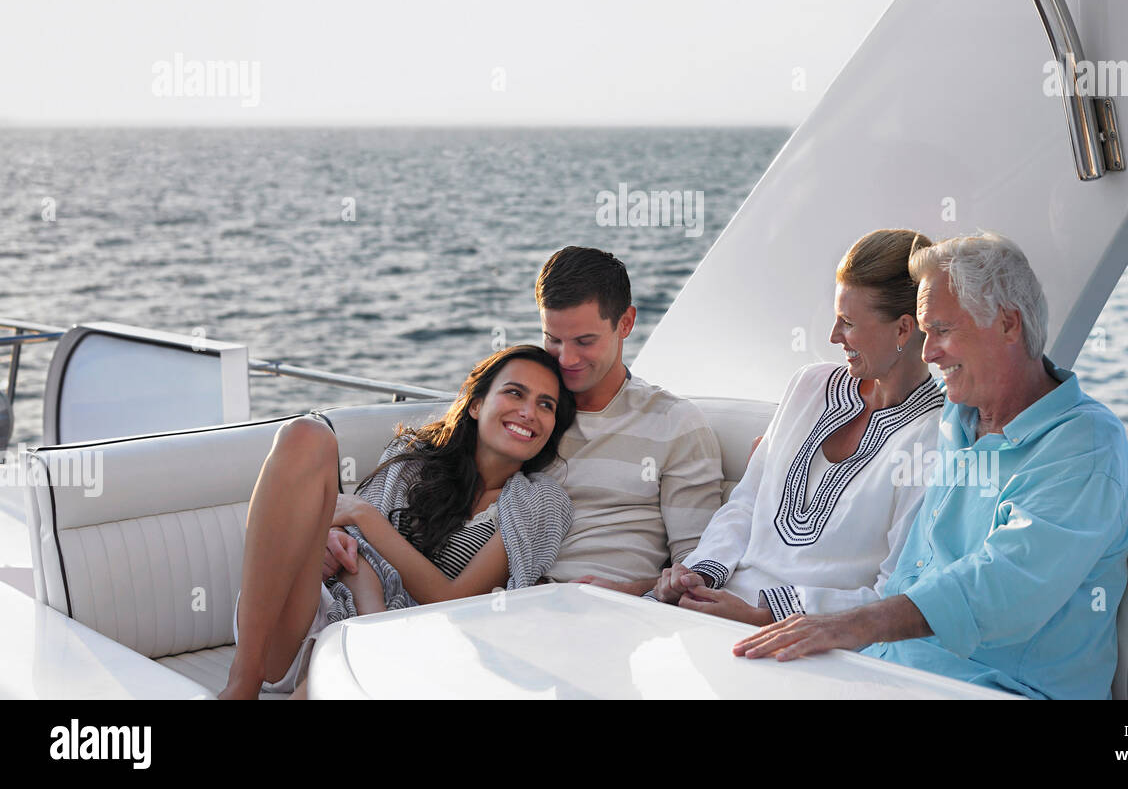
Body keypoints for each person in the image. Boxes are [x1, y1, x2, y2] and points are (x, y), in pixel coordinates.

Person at [734, 231, 1128, 700]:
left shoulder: (1084, 447)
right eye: (925, 333)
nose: (927, 353)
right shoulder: (958, 417)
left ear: (1008, 326)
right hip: (887, 669)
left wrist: (848, 625)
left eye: (942, 331)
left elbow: (1003, 586)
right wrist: (780, 455)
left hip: (1000, 688)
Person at [218, 344, 576, 699]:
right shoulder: (411, 459)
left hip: (408, 652)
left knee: (381, 661)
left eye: (546, 405)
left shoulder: (538, 502)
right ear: (476, 404)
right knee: (306, 435)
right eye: (515, 393)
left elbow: (452, 600)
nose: (529, 412)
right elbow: (354, 553)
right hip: (311, 615)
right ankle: (243, 683)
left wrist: (364, 517)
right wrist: (335, 538)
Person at [651, 229, 943, 626]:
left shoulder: (934, 437)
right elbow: (746, 502)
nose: (833, 336)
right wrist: (697, 573)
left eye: (848, 323)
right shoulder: (809, 385)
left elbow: (892, 592)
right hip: (714, 604)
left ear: (903, 330)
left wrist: (764, 615)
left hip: (809, 637)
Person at [534, 246, 723, 596]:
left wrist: (626, 591)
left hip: (616, 615)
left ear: (625, 323)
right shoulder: (527, 415)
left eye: (584, 341)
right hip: (512, 599)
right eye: (553, 340)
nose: (567, 358)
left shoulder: (675, 424)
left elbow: (698, 571)